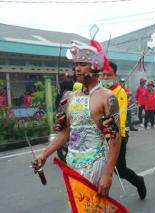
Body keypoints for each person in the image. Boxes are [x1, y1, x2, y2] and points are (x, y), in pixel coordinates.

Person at [32, 40, 121, 198]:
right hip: (72, 162)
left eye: (82, 64)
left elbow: (115, 138)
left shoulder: (108, 97)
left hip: (96, 163)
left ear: (95, 67)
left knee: (90, 207)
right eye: (76, 64)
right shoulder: (69, 97)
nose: (77, 69)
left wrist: (108, 174)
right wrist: (44, 155)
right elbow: (65, 133)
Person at [99, 61, 147, 200]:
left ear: (115, 75)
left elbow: (117, 117)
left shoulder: (119, 92)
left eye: (108, 75)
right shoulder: (96, 91)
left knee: (120, 170)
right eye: (102, 74)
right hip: (99, 135)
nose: (105, 77)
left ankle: (139, 182)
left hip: (116, 135)